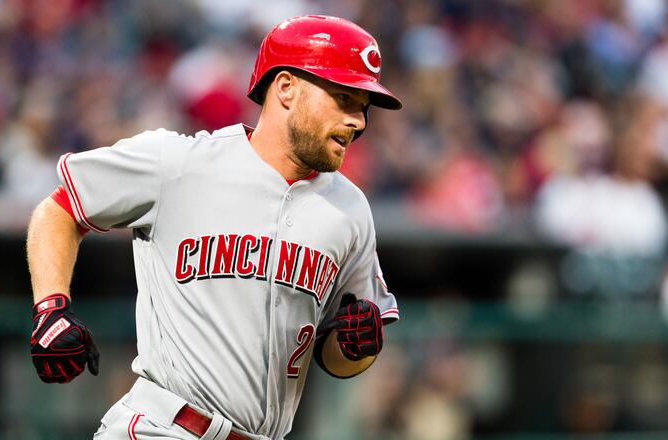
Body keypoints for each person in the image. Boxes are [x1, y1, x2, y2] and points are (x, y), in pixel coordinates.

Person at [26, 15, 401, 440]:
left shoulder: (350, 209)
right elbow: (60, 209)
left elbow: (339, 359)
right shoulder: (180, 163)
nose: (358, 121)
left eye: (363, 106)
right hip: (163, 428)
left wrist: (356, 346)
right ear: (285, 88)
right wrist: (50, 309)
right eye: (343, 98)